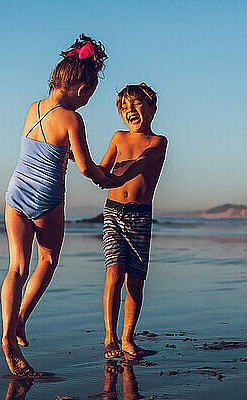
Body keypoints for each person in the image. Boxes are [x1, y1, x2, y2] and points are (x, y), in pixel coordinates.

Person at [1, 34, 121, 376]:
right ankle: (21, 319)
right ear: (81, 88)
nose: (87, 103)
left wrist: (65, 153)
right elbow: (87, 168)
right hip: (46, 198)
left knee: (17, 267)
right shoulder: (73, 119)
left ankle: (8, 334)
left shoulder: (32, 108)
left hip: (16, 194)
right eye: (90, 96)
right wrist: (111, 180)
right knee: (48, 260)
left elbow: (43, 149)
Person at [98, 83, 168, 360]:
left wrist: (116, 178)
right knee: (114, 272)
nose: (131, 111)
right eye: (125, 107)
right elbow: (101, 170)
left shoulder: (158, 142)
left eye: (137, 104)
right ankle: (110, 337)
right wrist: (77, 159)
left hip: (140, 218)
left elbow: (141, 163)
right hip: (113, 213)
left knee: (135, 281)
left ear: (152, 108)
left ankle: (127, 338)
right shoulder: (118, 138)